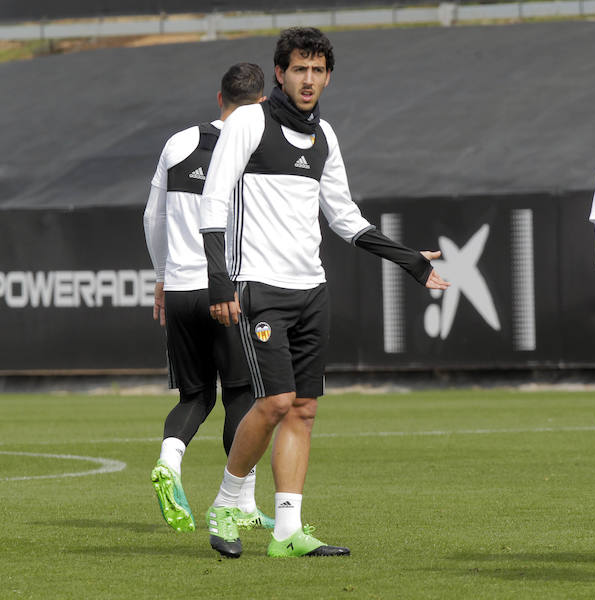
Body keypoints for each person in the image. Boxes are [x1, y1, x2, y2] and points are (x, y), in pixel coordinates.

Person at [198, 27, 449, 559]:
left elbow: (344, 216)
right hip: (257, 286)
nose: (309, 79)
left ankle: (288, 530)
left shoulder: (325, 136)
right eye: (299, 69)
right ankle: (226, 501)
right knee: (274, 402)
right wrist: (220, 279)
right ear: (281, 74)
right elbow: (213, 200)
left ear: (327, 76)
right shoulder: (249, 121)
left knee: (304, 410)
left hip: (312, 290)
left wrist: (406, 259)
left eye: (318, 70)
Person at [143, 63, 274, 534]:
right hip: (227, 288)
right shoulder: (257, 147)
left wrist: (161, 276)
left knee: (195, 395)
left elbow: (152, 218)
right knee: (242, 394)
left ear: (219, 99)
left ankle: (168, 463)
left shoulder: (178, 143)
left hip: (179, 289)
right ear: (261, 104)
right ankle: (240, 500)